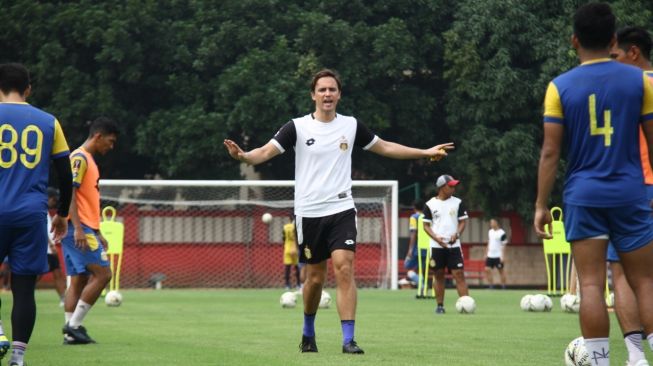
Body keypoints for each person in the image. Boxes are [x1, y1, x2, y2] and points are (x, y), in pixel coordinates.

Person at [224, 68, 453, 354]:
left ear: (339, 94)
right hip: (308, 213)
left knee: (345, 267)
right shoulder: (296, 127)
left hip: (342, 208)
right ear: (313, 95)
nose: (327, 94)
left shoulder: (351, 125)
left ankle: (349, 339)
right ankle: (308, 332)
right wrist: (243, 156)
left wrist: (424, 151)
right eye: (322, 90)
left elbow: (385, 147)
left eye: (332, 89)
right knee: (315, 277)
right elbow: (266, 152)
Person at [534, 4, 653, 366]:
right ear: (613, 39)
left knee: (589, 284)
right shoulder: (641, 82)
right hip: (631, 192)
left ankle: (599, 362)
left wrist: (541, 204)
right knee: (645, 281)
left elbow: (551, 152)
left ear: (574, 40)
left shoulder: (559, 87)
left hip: (583, 195)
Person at [0, 62, 72, 366]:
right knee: (24, 288)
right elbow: (65, 174)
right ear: (28, 89)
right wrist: (63, 215)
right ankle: (18, 358)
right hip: (31, 214)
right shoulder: (49, 122)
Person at [605, 25, 653, 366]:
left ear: (633, 52)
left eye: (616, 55)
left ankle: (636, 356)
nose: (613, 62)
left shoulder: (628, 89)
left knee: (621, 272)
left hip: (634, 189)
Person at [62, 117, 118, 345]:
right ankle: (74, 326)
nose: (111, 146)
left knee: (78, 279)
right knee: (104, 274)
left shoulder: (89, 160)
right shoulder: (80, 158)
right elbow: (71, 192)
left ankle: (69, 334)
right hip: (78, 227)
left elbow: (86, 199)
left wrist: (97, 231)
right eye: (110, 141)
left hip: (83, 226)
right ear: (98, 136)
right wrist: (79, 228)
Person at [422, 174, 469, 314]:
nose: (454, 188)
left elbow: (462, 222)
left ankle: (466, 305)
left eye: (454, 185)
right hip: (437, 247)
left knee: (459, 274)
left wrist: (457, 234)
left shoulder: (458, 202)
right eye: (451, 186)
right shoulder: (430, 204)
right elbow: (426, 226)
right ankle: (440, 306)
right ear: (442, 187)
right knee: (439, 274)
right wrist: (437, 239)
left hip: (454, 245)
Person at [44, 187, 67, 307]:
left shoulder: (45, 210)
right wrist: (50, 244)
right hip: (45, 248)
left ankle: (64, 298)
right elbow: (41, 228)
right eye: (54, 200)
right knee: (35, 275)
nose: (55, 202)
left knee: (57, 272)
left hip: (46, 248)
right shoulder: (41, 209)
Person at [403, 199, 425, 287]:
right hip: (427, 246)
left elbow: (413, 233)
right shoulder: (426, 217)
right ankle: (422, 285)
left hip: (417, 247)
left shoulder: (414, 217)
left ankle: (422, 285)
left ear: (414, 207)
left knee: (407, 267)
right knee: (421, 269)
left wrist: (410, 249)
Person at [484, 219, 508, 289]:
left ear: (497, 223)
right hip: (490, 255)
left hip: (498, 256)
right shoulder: (490, 232)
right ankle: (491, 286)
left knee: (501, 271)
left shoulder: (502, 233)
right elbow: (489, 242)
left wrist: (502, 256)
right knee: (487, 269)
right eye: (490, 222)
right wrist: (486, 253)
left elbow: (504, 245)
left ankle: (503, 286)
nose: (491, 224)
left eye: (493, 222)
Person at [283, 216, 301, 290]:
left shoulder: (285, 227)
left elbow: (283, 238)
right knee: (297, 267)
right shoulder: (297, 226)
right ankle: (298, 284)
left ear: (289, 219)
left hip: (287, 249)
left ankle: (287, 285)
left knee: (287, 267)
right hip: (296, 249)